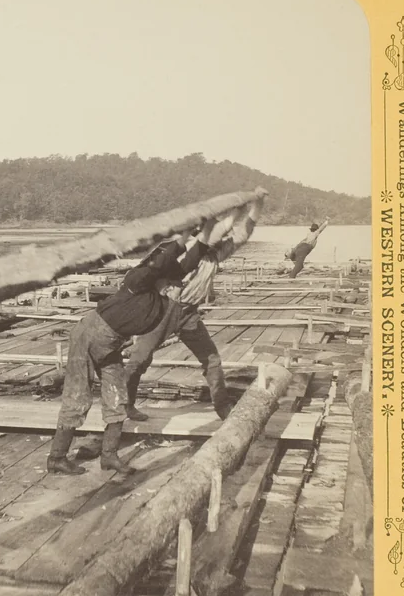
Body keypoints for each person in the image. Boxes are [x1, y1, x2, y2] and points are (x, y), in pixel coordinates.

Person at [48, 224, 211, 476]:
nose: (175, 289)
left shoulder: (159, 302)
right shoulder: (137, 282)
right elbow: (160, 261)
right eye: (172, 284)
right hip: (87, 338)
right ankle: (57, 457)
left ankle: (109, 456)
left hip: (110, 345)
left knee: (117, 398)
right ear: (162, 281)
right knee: (78, 398)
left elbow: (188, 262)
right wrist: (185, 234)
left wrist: (205, 232)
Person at [122, 194, 266, 423]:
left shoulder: (215, 254)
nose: (222, 237)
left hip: (189, 314)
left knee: (212, 360)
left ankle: (223, 407)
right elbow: (220, 229)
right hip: (162, 309)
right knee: (140, 359)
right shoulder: (180, 248)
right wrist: (232, 212)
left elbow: (243, 232)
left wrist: (256, 204)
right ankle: (125, 405)